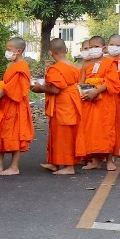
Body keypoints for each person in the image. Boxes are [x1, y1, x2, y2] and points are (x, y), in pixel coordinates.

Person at [0, 37, 33, 176]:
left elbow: (19, 87)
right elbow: (7, 84)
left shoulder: (22, 67)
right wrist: (0, 90)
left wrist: (3, 90)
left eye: (9, 49)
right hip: (6, 105)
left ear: (19, 51)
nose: (7, 52)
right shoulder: (12, 65)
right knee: (0, 132)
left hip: (16, 106)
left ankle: (14, 167)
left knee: (15, 135)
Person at [35, 38, 82, 175]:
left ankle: (69, 166)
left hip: (63, 104)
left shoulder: (56, 69)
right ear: (66, 50)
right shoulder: (74, 66)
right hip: (72, 101)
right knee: (57, 133)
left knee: (64, 135)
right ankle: (54, 162)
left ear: (51, 53)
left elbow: (56, 89)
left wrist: (40, 88)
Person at [74, 36, 120, 171]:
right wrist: (84, 92)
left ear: (103, 48)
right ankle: (95, 160)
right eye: (91, 47)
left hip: (105, 101)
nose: (93, 49)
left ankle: (109, 160)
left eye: (96, 47)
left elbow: (112, 82)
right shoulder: (86, 64)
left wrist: (96, 91)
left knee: (107, 129)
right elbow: (82, 82)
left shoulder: (109, 63)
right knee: (91, 130)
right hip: (89, 101)